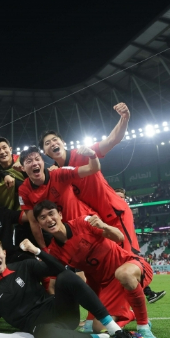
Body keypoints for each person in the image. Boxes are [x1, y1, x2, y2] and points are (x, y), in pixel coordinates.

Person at [0, 237, 144, 338]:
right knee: (42, 334)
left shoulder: (25, 265)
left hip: (61, 312)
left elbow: (60, 269)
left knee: (65, 277)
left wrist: (37, 252)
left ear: (4, 253)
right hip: (40, 327)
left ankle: (114, 330)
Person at [32, 200, 159, 338]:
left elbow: (120, 237)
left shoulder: (83, 222)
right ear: (39, 224)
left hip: (128, 265)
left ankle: (143, 326)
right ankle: (130, 314)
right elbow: (55, 284)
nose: (49, 219)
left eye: (51, 214)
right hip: (106, 284)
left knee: (124, 274)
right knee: (97, 327)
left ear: (60, 215)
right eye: (43, 218)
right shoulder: (54, 251)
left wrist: (103, 226)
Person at [41, 103, 139, 253]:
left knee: (129, 258)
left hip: (114, 212)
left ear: (63, 143)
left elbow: (112, 140)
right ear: (46, 152)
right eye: (47, 143)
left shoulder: (82, 154)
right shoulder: (55, 174)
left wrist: (124, 118)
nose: (52, 143)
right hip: (96, 221)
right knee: (110, 263)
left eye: (55, 140)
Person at [18, 145, 98, 248]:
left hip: (88, 223)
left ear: (43, 162)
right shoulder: (24, 190)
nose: (34, 163)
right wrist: (44, 249)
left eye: (37, 159)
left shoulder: (59, 173)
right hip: (64, 235)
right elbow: (33, 222)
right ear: (22, 168)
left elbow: (93, 169)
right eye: (29, 161)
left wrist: (92, 155)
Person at [115, 188, 165, 303]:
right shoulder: (113, 214)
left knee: (134, 273)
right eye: (117, 197)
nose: (119, 199)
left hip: (129, 248)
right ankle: (146, 295)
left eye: (122, 197)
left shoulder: (126, 213)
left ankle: (148, 294)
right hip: (118, 250)